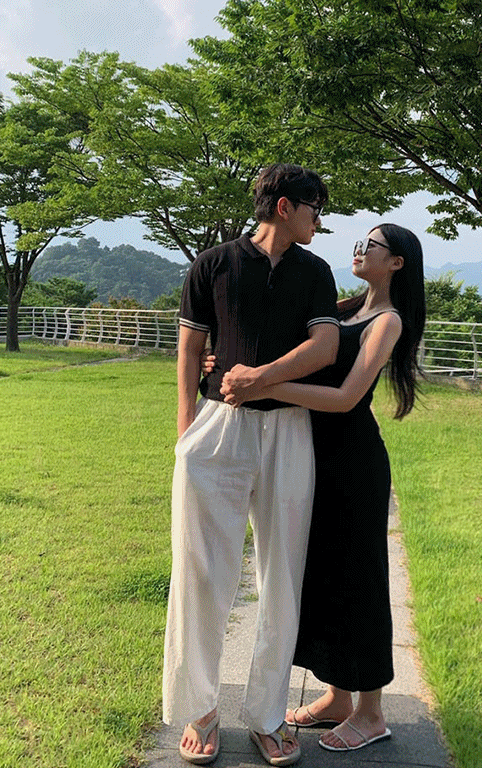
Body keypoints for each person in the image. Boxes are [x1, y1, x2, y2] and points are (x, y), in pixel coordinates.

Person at [219, 223, 426, 753]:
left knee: (359, 580)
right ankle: (337, 697)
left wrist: (264, 384)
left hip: (353, 463)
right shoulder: (342, 308)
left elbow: (347, 398)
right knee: (322, 575)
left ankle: (372, 712)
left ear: (396, 262)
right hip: (310, 452)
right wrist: (219, 360)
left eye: (371, 245)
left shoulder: (387, 321)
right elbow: (286, 341)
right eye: (359, 242)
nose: (359, 249)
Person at [163, 162, 340, 767]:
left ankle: (267, 714)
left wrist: (259, 377)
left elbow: (325, 346)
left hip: (289, 428)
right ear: (285, 206)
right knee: (200, 568)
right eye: (315, 208)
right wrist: (186, 434)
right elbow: (189, 350)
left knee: (282, 573)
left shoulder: (315, 271)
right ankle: (200, 708)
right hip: (217, 429)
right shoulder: (212, 265)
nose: (320, 220)